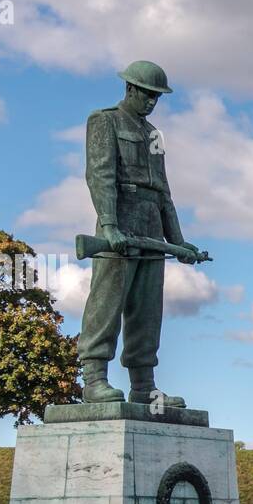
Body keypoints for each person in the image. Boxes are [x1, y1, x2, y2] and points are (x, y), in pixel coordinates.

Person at [79, 61, 201, 406]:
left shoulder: (154, 135)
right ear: (130, 89)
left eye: (156, 97)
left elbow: (164, 190)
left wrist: (177, 242)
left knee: (147, 310)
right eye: (146, 94)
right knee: (107, 303)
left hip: (150, 224)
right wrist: (109, 224)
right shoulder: (105, 120)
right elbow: (100, 175)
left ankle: (144, 385)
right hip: (121, 217)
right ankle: (93, 380)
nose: (151, 102)